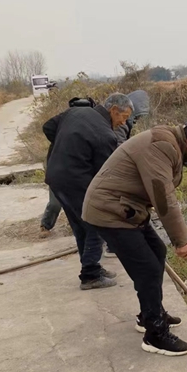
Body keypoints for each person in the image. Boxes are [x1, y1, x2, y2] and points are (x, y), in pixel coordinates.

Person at [83, 116, 187, 356]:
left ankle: (150, 313)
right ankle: (155, 334)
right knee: (147, 268)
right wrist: (182, 241)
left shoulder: (172, 145)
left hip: (127, 208)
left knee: (157, 252)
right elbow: (163, 198)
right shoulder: (162, 146)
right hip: (110, 210)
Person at [44, 93, 134, 290]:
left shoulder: (77, 111)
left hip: (56, 178)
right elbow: (104, 175)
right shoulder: (105, 135)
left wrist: (65, 147)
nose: (123, 123)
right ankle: (90, 275)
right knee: (97, 223)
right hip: (76, 183)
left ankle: (91, 266)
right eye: (123, 117)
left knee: (80, 226)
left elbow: (48, 127)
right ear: (113, 110)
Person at [39, 97, 98, 239]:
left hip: (78, 170)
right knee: (55, 202)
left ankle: (82, 228)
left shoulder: (91, 124)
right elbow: (47, 127)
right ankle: (46, 224)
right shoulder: (63, 120)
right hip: (57, 166)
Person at [103, 89, 151, 259]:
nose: (137, 120)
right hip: (110, 172)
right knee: (115, 206)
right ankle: (111, 246)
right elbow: (120, 149)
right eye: (137, 116)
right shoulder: (121, 123)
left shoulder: (125, 118)